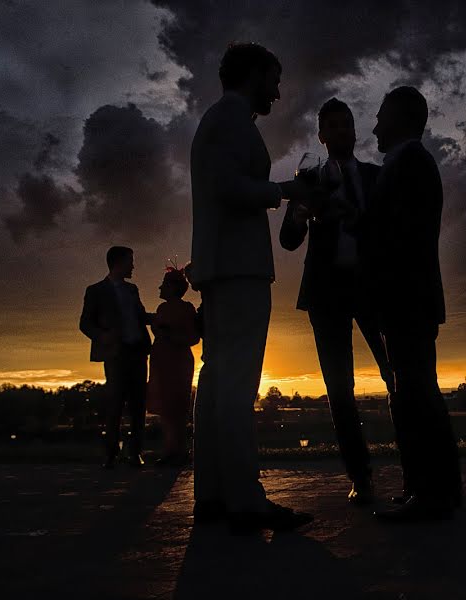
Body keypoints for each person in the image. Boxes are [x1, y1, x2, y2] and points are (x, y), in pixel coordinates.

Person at [190, 42, 322, 534]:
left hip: (222, 264)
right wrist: (286, 192)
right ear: (252, 75)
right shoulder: (230, 121)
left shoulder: (218, 121)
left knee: (218, 384)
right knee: (237, 385)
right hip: (238, 267)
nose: (279, 89)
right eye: (274, 78)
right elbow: (229, 187)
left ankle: (214, 495)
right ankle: (244, 498)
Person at [279, 98, 394, 506]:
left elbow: (389, 232)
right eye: (334, 126)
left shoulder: (376, 176)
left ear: (354, 131)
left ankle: (414, 467)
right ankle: (360, 477)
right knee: (339, 388)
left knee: (394, 375)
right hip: (326, 293)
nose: (343, 131)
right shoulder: (309, 181)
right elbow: (289, 241)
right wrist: (300, 214)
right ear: (322, 135)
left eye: (348, 124)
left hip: (372, 288)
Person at [362, 86, 462, 521]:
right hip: (409, 298)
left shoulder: (409, 165)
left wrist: (355, 222)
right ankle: (431, 488)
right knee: (415, 392)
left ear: (401, 119)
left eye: (381, 116)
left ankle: (432, 492)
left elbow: (396, 237)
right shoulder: (409, 165)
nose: (375, 125)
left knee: (417, 394)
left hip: (406, 298)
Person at [79, 246, 152, 469]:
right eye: (130, 261)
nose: (133, 266)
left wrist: (164, 316)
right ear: (118, 262)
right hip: (116, 354)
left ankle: (135, 453)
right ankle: (111, 452)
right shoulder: (95, 291)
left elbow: (140, 316)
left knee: (139, 405)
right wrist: (104, 335)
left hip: (138, 352)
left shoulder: (132, 290)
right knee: (116, 404)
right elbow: (85, 323)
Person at [146, 266, 200, 466]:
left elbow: (193, 337)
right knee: (167, 408)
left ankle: (177, 450)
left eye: (164, 284)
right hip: (163, 362)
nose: (160, 288)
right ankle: (173, 449)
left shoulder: (185, 309)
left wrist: (168, 334)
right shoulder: (163, 309)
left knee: (175, 407)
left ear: (172, 287)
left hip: (176, 363)